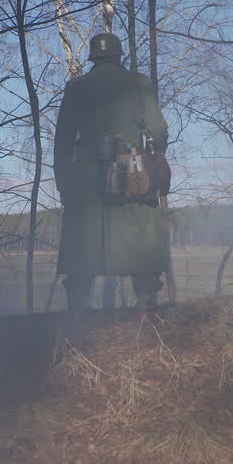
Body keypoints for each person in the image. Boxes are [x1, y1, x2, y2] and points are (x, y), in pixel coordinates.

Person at [54, 32, 170, 312]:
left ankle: (77, 321)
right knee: (142, 242)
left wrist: (64, 183)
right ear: (119, 56)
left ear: (93, 56)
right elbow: (158, 130)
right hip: (131, 172)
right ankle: (147, 314)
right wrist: (154, 156)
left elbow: (63, 140)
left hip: (85, 179)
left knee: (82, 251)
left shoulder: (76, 88)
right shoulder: (138, 84)